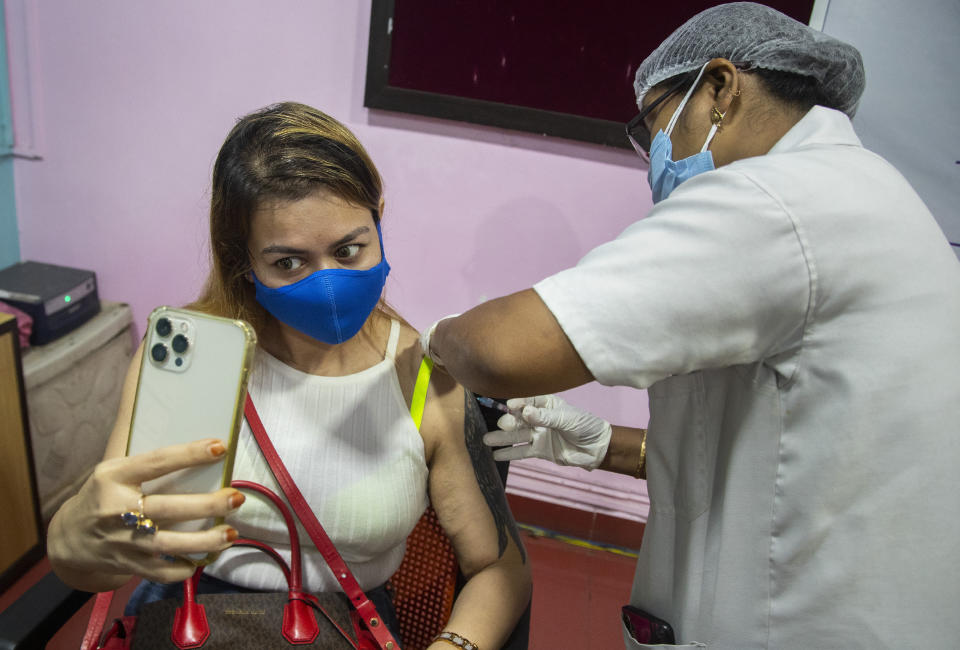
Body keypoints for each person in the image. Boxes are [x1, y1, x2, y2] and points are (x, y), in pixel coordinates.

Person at [420, 3, 960, 648]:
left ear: (720, 90)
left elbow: (501, 351)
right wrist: (611, 446)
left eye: (655, 125)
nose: (656, 157)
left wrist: (442, 337)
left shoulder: (773, 202)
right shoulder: (865, 189)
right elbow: (805, 441)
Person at [47, 102, 531, 650]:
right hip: (185, 618)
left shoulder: (420, 376)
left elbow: (499, 569)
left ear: (378, 222)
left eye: (350, 250)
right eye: (288, 263)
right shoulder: (190, 362)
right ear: (244, 260)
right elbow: (128, 533)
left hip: (345, 627)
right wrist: (79, 537)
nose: (328, 284)